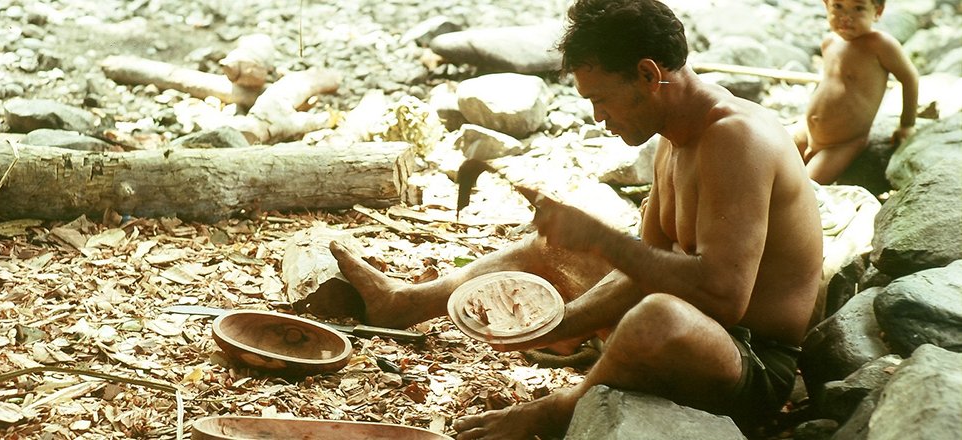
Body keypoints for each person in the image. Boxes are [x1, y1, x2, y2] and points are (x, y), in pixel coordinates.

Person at [329, 0, 823, 437]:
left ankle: (561, 409)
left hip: (751, 363)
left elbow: (725, 294)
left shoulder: (736, 140)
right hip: (696, 323)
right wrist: (556, 324)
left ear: (649, 76)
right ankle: (403, 303)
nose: (597, 117)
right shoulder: (674, 139)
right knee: (548, 250)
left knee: (655, 317)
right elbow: (642, 269)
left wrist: (603, 242)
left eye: (600, 98)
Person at [792, 0, 919, 184]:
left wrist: (906, 124)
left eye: (858, 8)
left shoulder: (880, 45)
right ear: (826, 5)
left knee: (805, 187)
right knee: (771, 150)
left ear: (878, 11)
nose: (846, 17)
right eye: (838, 6)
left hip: (842, 144)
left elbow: (910, 78)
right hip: (808, 130)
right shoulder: (829, 43)